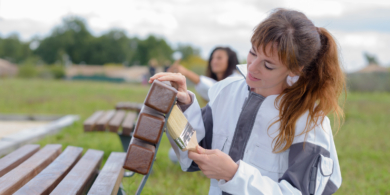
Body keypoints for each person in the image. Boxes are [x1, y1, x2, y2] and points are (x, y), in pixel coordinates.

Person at [150, 8, 345, 195]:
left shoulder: (309, 123)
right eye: (253, 52)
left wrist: (234, 175)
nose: (251, 67)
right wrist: (184, 105)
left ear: (295, 70)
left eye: (268, 65)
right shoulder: (227, 90)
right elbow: (195, 155)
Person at [168, 47, 241, 101]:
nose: (214, 61)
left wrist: (186, 72)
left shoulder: (236, 80)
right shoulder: (219, 80)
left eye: (219, 58)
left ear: (230, 61)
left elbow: (215, 89)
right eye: (212, 58)